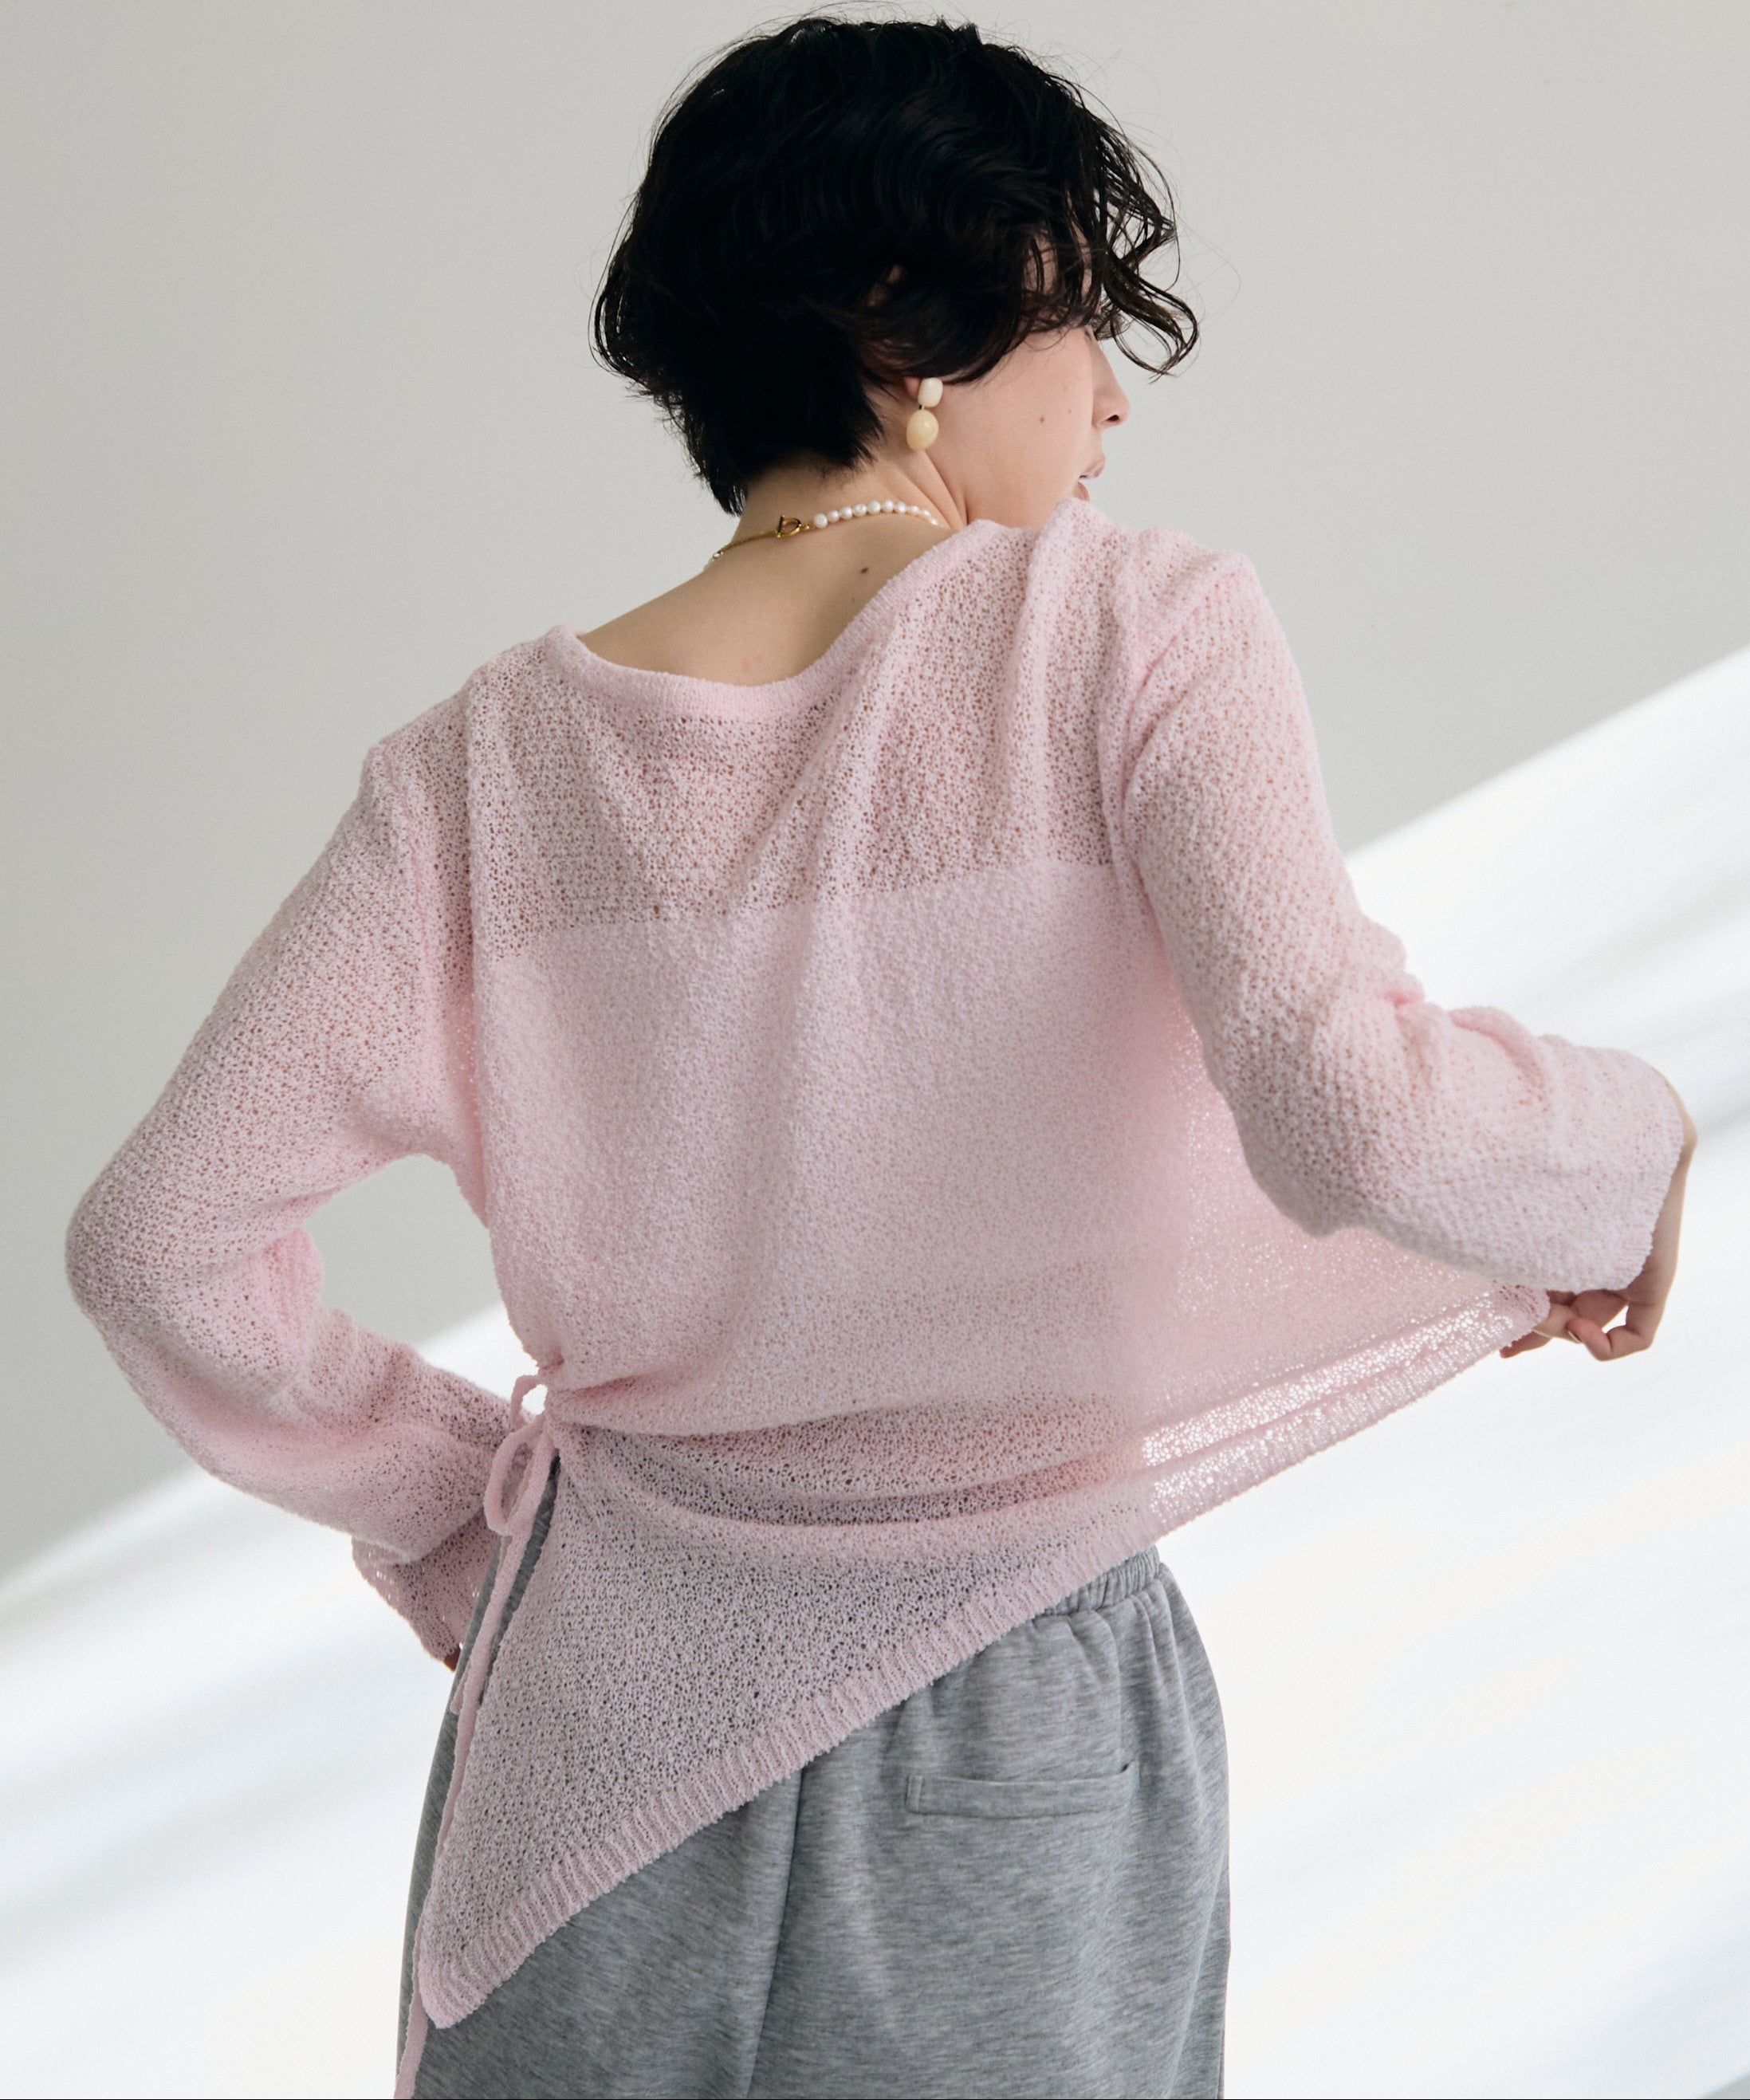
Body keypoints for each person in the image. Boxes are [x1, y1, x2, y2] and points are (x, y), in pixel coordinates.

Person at [64, 17, 1696, 2100]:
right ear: (911, 333)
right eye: (1076, 320)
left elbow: (158, 1244)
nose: (1110, 396)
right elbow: (1344, 1102)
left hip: (585, 1751)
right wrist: (1624, 1147)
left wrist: (466, 1515)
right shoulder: (1127, 629)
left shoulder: (471, 774)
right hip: (1002, 1726)